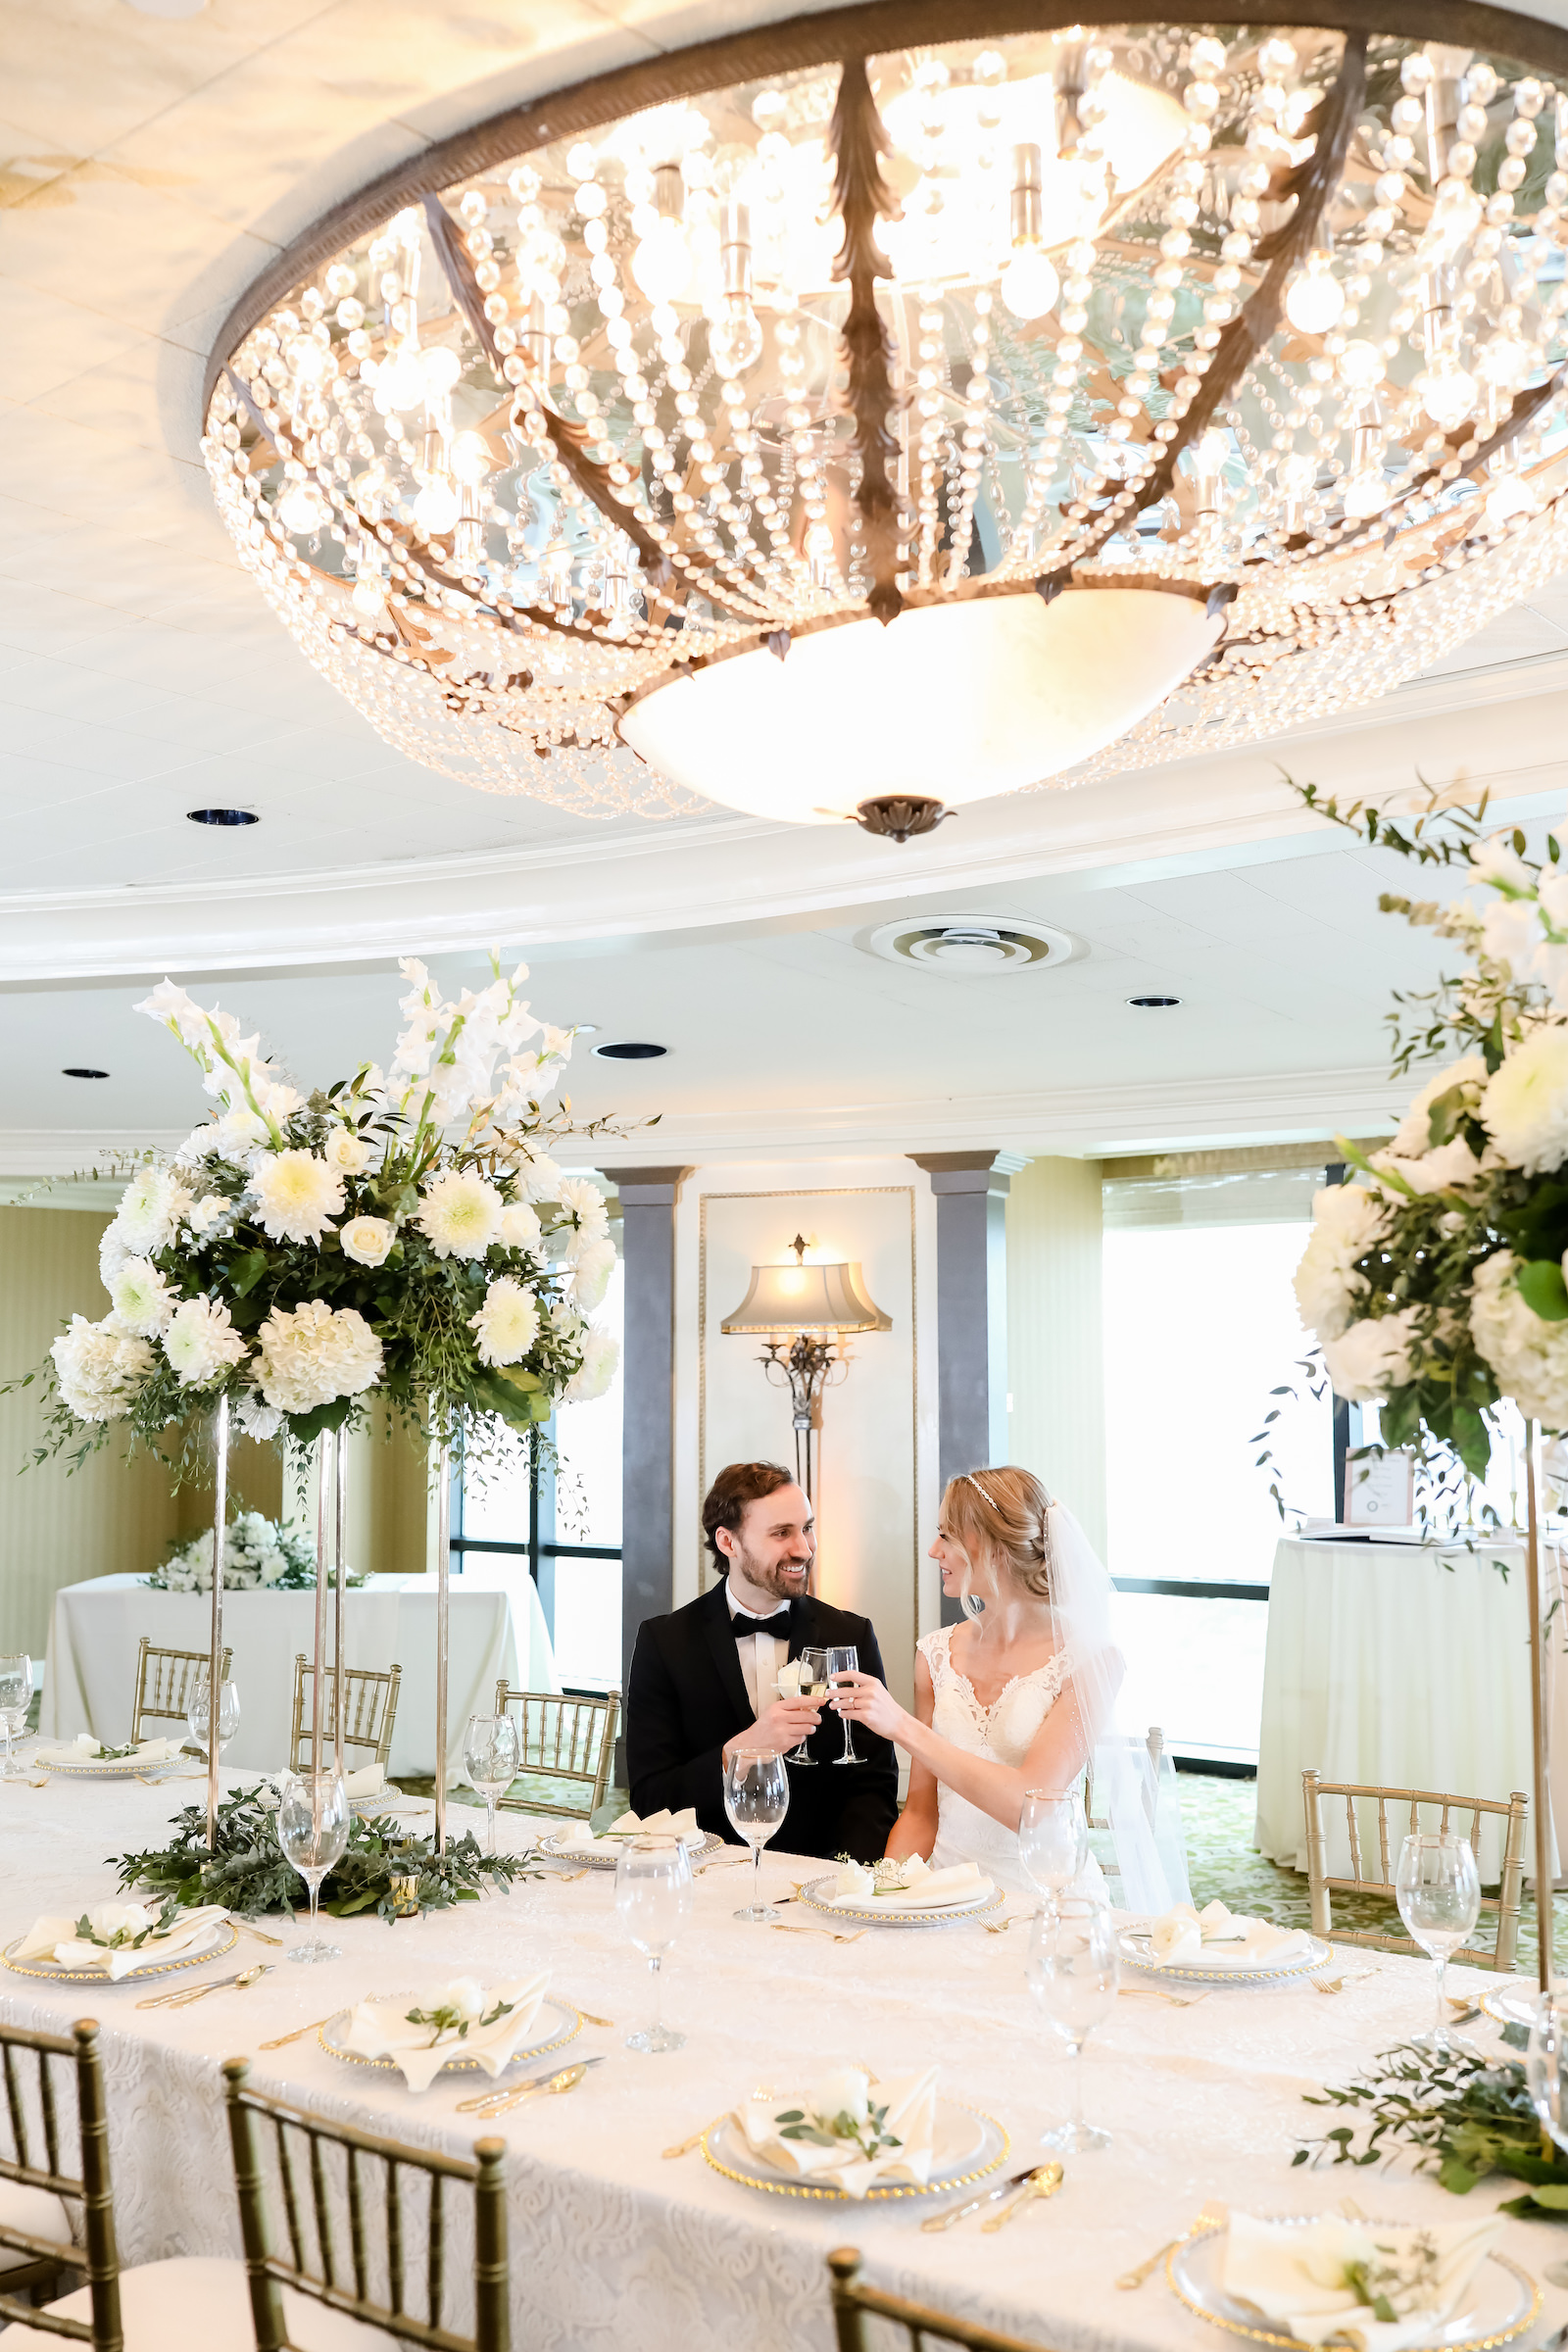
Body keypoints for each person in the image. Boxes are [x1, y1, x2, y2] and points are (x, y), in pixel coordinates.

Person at [831, 1465, 1187, 1907]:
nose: (932, 1550)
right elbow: (921, 1814)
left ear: (989, 1545)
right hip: (945, 1898)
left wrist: (902, 1727)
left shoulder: (1092, 1659)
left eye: (946, 1535)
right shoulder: (935, 1654)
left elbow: (1030, 1809)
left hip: (1046, 1900)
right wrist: (884, 1894)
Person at [624, 1460, 900, 1863]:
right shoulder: (663, 1642)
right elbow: (651, 1801)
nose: (803, 1549)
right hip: (706, 1875)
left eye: (806, 1527)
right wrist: (738, 1752)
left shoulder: (850, 1635)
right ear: (728, 1542)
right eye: (781, 1533)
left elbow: (873, 1788)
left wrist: (843, 1878)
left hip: (819, 1882)